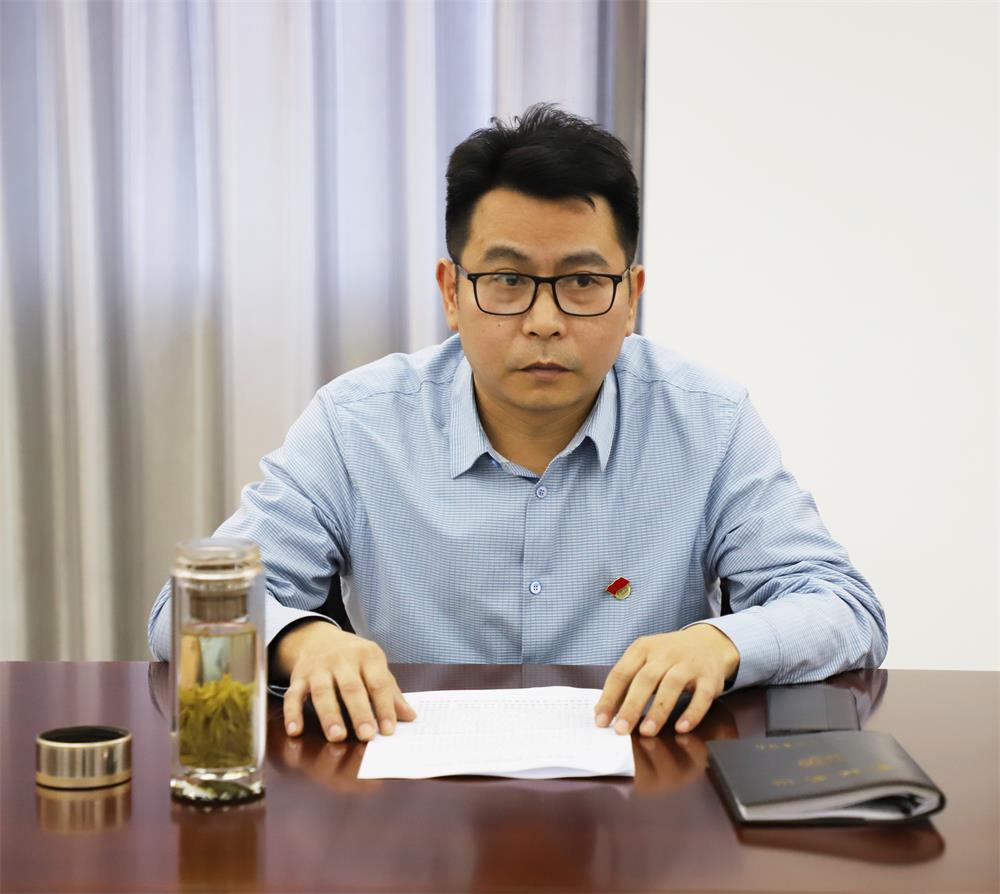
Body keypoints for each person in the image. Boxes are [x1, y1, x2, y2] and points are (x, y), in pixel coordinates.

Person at [148, 104, 887, 746]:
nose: (544, 321)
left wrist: (718, 642)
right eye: (507, 280)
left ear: (630, 296)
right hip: (416, 795)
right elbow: (180, 614)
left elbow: (844, 607)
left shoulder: (708, 422)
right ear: (451, 291)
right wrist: (303, 640)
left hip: (642, 791)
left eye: (582, 282)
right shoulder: (357, 424)